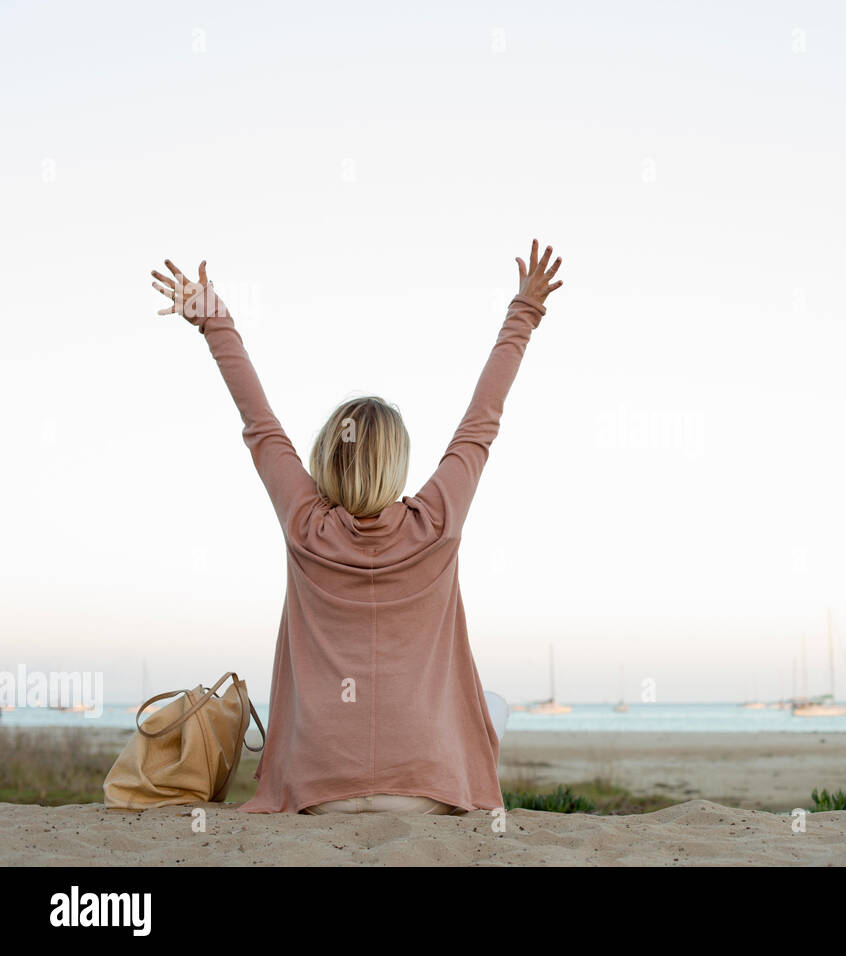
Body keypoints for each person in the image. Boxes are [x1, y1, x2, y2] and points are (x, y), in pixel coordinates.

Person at [150, 240, 563, 814]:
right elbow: (480, 424)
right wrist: (525, 311)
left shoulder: (303, 523)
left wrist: (214, 321)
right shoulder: (437, 521)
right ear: (396, 463)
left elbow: (259, 424)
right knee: (492, 703)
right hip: (427, 796)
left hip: (319, 797)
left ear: (325, 456)